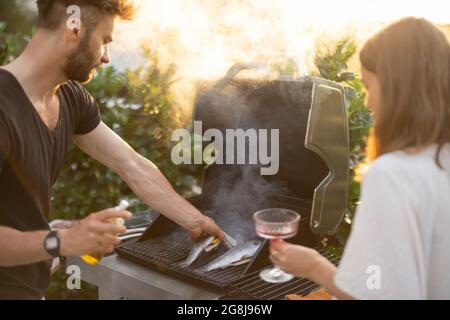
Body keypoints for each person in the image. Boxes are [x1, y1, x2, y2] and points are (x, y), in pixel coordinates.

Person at [0, 0, 224, 299]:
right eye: (105, 41)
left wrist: (194, 220)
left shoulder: (70, 98)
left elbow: (130, 163)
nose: (106, 57)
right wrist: (60, 241)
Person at [271, 17, 450, 300]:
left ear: (396, 86)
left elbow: (377, 294)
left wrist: (314, 266)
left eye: (368, 86)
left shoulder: (393, 174)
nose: (367, 102)